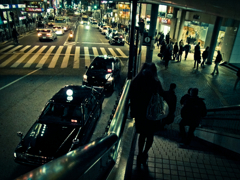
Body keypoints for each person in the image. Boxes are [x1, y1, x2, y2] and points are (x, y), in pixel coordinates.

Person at [129, 62, 164, 166]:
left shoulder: (137, 80)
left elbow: (132, 95)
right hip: (152, 114)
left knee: (142, 135)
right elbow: (161, 94)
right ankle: (145, 153)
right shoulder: (155, 81)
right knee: (150, 135)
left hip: (140, 112)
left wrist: (133, 111)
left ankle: (139, 153)